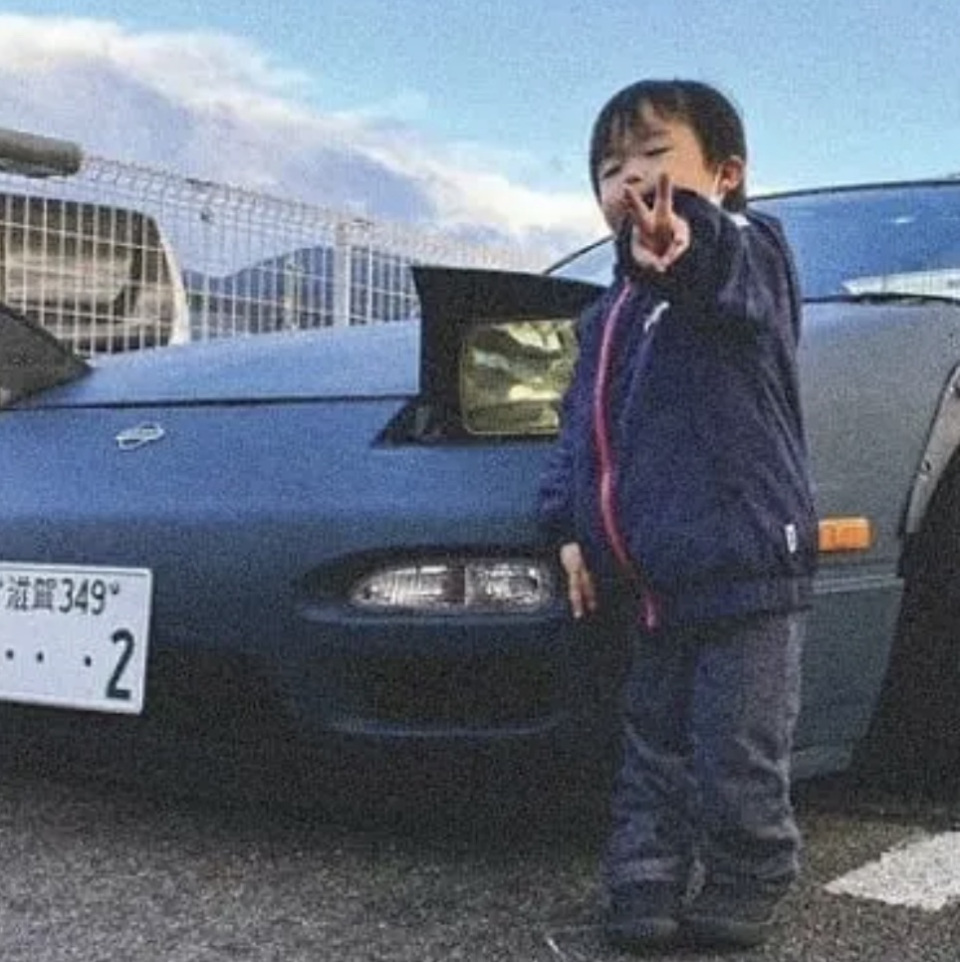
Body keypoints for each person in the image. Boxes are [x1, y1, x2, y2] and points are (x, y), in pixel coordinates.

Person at [537, 79, 817, 952]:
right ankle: (644, 875)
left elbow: (719, 269)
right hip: (650, 579)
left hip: (743, 564)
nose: (628, 179)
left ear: (726, 173)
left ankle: (751, 869)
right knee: (649, 743)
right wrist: (567, 529)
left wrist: (683, 241)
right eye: (609, 168)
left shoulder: (754, 257)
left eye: (654, 155)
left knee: (738, 745)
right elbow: (580, 432)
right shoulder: (608, 314)